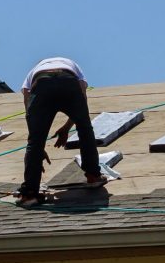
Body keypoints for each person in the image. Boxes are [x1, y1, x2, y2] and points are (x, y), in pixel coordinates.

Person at [16, 56, 106, 208]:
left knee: (35, 141)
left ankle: (29, 194)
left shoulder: (34, 71)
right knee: (85, 128)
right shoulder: (73, 66)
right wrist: (67, 127)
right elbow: (82, 101)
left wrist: (37, 147)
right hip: (68, 81)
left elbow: (28, 106)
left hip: (41, 84)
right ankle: (93, 176)